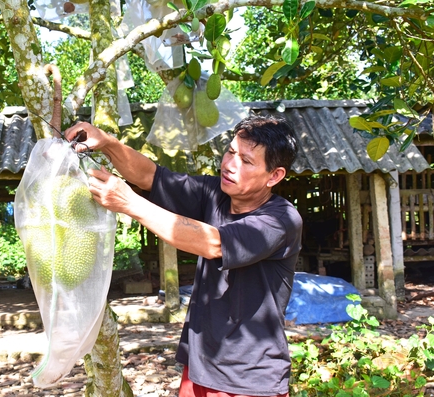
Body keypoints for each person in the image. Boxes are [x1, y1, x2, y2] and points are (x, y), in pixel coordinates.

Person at [64, 115, 302, 397]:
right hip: (200, 363)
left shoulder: (281, 219)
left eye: (246, 161)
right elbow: (150, 176)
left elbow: (214, 244)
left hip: (249, 376)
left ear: (274, 176)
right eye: (230, 152)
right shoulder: (215, 194)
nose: (229, 165)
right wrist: (107, 143)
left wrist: (129, 203)